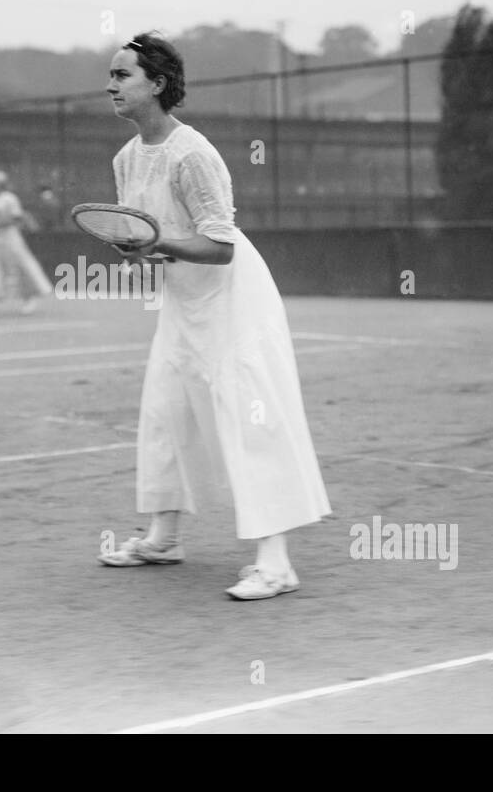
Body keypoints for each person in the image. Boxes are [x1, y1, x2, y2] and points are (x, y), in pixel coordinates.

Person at [96, 33, 331, 600]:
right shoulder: (126, 159)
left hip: (234, 303)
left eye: (123, 75)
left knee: (248, 417)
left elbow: (220, 245)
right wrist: (139, 253)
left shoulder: (194, 154)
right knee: (164, 411)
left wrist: (160, 247)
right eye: (111, 75)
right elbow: (151, 238)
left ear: (157, 83)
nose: (112, 85)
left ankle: (276, 563)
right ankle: (163, 537)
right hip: (183, 300)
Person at [0, 171, 53, 316]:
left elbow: (17, 218)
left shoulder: (10, 199)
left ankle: (29, 298)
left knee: (21, 265)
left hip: (11, 237)